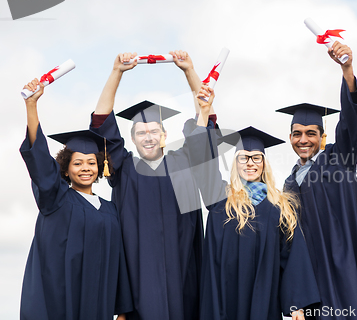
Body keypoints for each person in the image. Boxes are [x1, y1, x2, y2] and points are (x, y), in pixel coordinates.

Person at [89, 51, 213, 319]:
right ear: (131, 139)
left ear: (165, 135)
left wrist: (189, 71)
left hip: (184, 282)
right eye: (141, 133)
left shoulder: (184, 164)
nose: (148, 137)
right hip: (137, 288)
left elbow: (205, 126)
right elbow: (101, 122)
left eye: (154, 131)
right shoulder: (124, 169)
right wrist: (116, 73)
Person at [193, 84, 320, 320]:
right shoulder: (220, 199)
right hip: (223, 300)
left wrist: (297, 306)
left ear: (264, 163)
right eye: (243, 158)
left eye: (255, 158)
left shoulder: (279, 207)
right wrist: (204, 112)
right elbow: (202, 164)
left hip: (263, 302)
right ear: (235, 163)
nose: (249, 163)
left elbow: (292, 257)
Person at [277, 42, 357, 319]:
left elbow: (351, 123)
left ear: (322, 137)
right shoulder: (287, 186)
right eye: (297, 134)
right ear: (290, 138)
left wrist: (347, 70)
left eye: (311, 133)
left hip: (345, 273)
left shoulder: (339, 159)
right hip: (312, 285)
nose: (303, 139)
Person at [19, 79, 133, 320]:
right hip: (61, 302)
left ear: (100, 166)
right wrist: (32, 106)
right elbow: (39, 161)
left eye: (91, 162)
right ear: (66, 168)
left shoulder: (110, 209)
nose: (85, 168)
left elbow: (118, 260)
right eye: (77, 163)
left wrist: (122, 311)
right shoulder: (56, 198)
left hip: (97, 306)